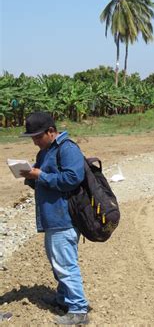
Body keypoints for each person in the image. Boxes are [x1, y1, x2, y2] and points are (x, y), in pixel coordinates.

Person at [20, 112, 89, 325]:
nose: (35, 141)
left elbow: (72, 178)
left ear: (51, 131)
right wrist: (29, 176)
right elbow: (43, 177)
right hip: (52, 218)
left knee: (65, 265)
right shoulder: (46, 150)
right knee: (57, 262)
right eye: (32, 137)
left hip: (64, 218)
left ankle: (78, 310)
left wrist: (40, 175)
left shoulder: (67, 149)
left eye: (37, 137)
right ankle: (63, 300)